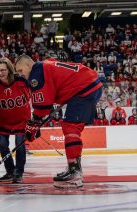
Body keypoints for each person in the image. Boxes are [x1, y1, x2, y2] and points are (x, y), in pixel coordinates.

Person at [15, 54, 103, 188]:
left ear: (28, 65)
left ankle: (75, 172)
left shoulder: (36, 73)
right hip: (88, 84)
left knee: (70, 127)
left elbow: (43, 106)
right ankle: (74, 168)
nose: (21, 75)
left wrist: (34, 124)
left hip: (84, 88)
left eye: (21, 71)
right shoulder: (44, 66)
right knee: (70, 127)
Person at [0, 58, 31, 183]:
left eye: (3, 70)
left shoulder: (21, 81)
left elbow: (32, 95)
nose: (0, 73)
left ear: (9, 70)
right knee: (3, 147)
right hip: (3, 122)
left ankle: (18, 173)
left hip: (22, 121)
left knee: (20, 147)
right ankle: (10, 172)